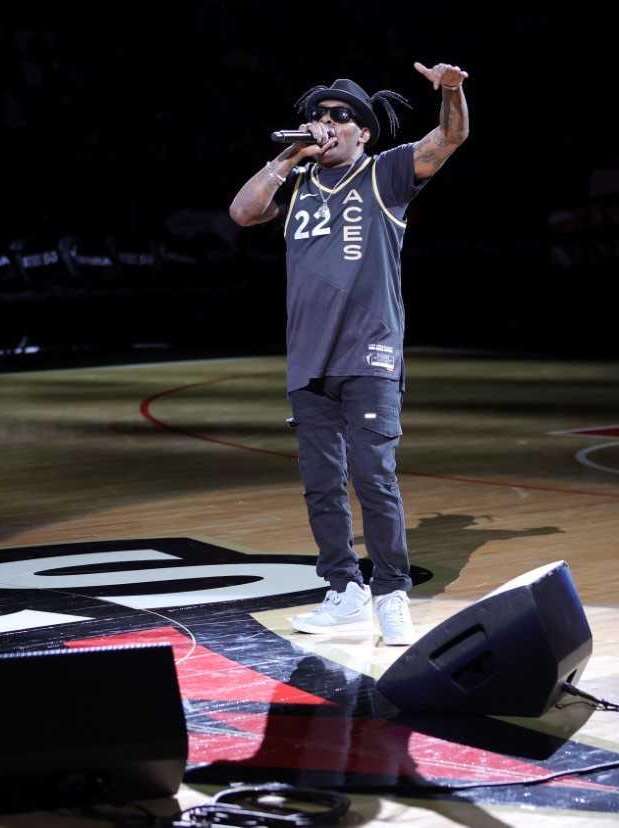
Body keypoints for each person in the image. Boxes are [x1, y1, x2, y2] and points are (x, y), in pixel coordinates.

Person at [229, 61, 470, 645]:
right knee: (320, 484)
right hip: (307, 359)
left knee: (374, 477)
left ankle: (390, 593)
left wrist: (452, 91)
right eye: (319, 115)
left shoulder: (385, 173)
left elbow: (450, 137)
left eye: (341, 117)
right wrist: (288, 157)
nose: (327, 123)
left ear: (364, 131)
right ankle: (343, 590)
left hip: (370, 353)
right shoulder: (299, 187)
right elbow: (241, 212)